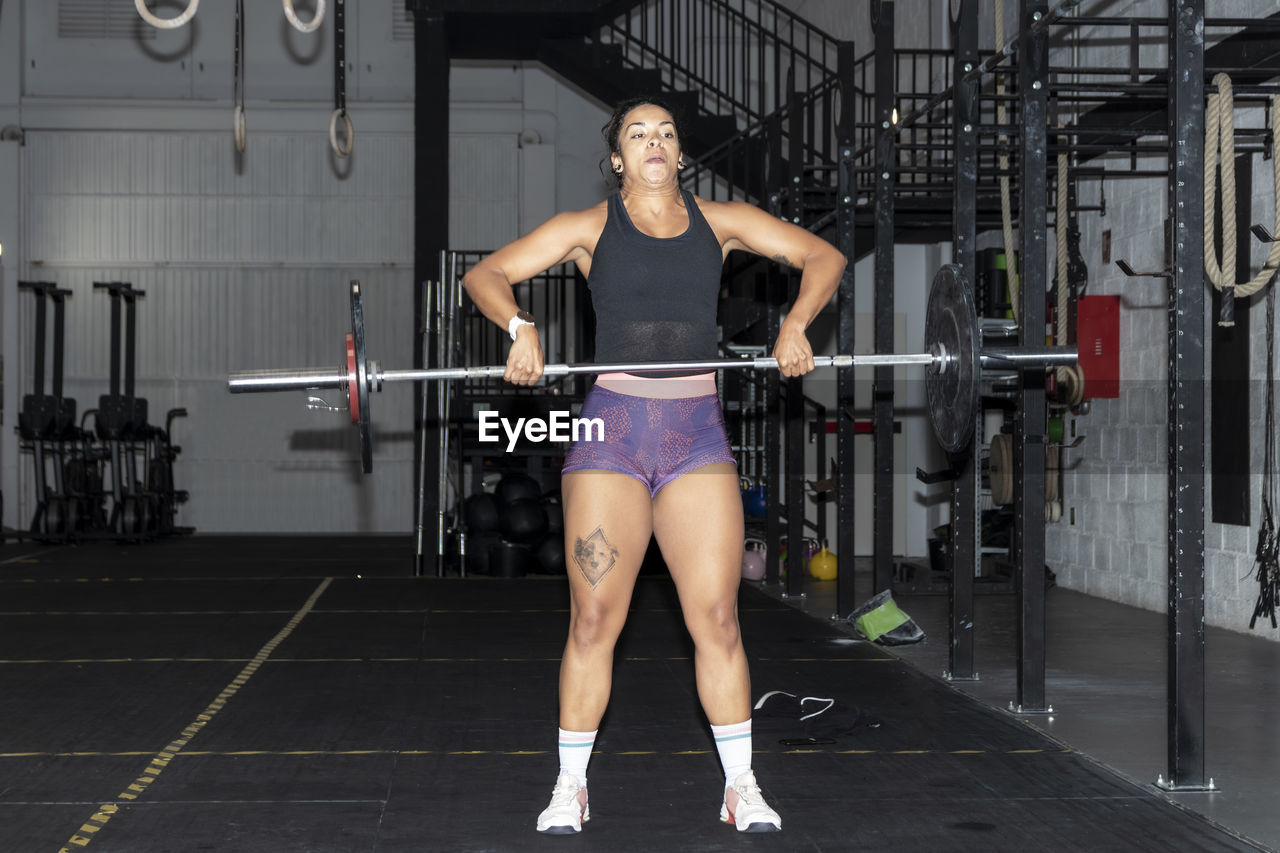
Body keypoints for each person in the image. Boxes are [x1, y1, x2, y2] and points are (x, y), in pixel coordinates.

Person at [462, 96, 845, 835]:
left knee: (719, 619)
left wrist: (797, 322)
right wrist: (519, 325)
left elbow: (821, 257)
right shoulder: (588, 229)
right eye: (638, 134)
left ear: (678, 152)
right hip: (614, 431)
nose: (655, 142)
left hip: (695, 433)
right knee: (595, 615)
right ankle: (570, 785)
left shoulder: (721, 222)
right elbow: (488, 275)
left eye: (666, 132)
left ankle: (742, 786)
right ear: (618, 159)